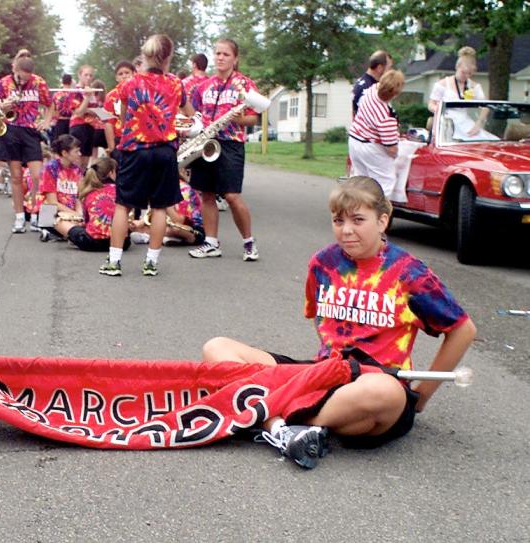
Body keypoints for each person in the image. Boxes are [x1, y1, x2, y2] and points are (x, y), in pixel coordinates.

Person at [202, 176, 477, 468]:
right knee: (217, 349)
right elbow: (319, 320)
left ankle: (272, 418)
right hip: (322, 377)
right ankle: (283, 430)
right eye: (338, 221)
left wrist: (421, 396)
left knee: (384, 393)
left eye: (358, 220)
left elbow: (463, 330)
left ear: (383, 221)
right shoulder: (323, 263)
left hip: (374, 387)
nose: (346, 231)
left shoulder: (409, 273)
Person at [99, 34, 184, 277]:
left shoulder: (130, 84)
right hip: (164, 151)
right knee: (160, 207)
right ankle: (151, 263)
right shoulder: (176, 84)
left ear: (145, 56)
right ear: (168, 57)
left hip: (135, 150)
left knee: (122, 205)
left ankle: (114, 262)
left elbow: (125, 119)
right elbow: (183, 112)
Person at [185, 38, 262, 262]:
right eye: (217, 53)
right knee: (206, 193)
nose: (220, 57)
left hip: (230, 144)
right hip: (206, 142)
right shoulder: (203, 86)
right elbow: (195, 114)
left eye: (225, 54)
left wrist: (240, 119)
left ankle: (248, 242)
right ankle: (211, 242)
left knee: (231, 196)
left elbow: (253, 118)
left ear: (235, 58)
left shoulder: (245, 85)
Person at [0, 49, 53, 234]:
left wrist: (47, 121)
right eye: (20, 77)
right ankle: (19, 216)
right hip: (10, 129)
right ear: (15, 70)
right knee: (17, 176)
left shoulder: (38, 82)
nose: (23, 81)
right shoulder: (4, 83)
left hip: (30, 130)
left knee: (37, 176)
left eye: (26, 78)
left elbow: (49, 104)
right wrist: (5, 104)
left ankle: (35, 214)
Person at [349, 70, 404, 199]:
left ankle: (355, 210)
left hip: (355, 139)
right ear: (395, 93)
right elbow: (390, 148)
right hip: (372, 147)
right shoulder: (386, 116)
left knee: (360, 181)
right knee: (384, 183)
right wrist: (396, 155)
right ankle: (375, 215)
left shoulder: (371, 90)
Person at [428, 46, 492, 140]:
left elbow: (486, 107)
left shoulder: (474, 86)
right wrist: (438, 109)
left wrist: (479, 123)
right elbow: (431, 103)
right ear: (457, 67)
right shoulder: (443, 84)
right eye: (463, 72)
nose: (466, 76)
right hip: (447, 122)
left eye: (469, 74)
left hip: (465, 122)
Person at [39, 134, 84, 242]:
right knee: (48, 214)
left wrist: (79, 215)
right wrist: (74, 214)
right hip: (53, 211)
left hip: (72, 212)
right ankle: (59, 232)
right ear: (64, 153)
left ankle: (63, 233)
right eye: (76, 151)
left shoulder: (77, 170)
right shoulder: (51, 169)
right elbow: (52, 202)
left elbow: (79, 196)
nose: (80, 154)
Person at [68, 65, 101, 169]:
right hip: (78, 127)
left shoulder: (92, 92)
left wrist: (88, 109)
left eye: (90, 75)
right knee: (77, 160)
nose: (88, 77)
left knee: (85, 162)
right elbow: (79, 113)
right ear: (79, 75)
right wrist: (86, 98)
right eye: (86, 75)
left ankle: (83, 182)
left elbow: (95, 111)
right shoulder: (75, 91)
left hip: (90, 127)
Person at [103, 61, 135, 159]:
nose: (124, 76)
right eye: (120, 74)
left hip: (138, 138)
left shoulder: (140, 92)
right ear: (116, 78)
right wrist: (111, 147)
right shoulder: (110, 96)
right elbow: (108, 122)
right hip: (120, 138)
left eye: (127, 72)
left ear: (134, 74)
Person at [353, 50, 392, 117]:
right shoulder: (369, 89)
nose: (390, 72)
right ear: (379, 68)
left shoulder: (361, 83)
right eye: (389, 68)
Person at [51, 74, 75, 141]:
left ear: (62, 82)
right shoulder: (74, 94)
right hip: (72, 122)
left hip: (60, 121)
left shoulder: (56, 95)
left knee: (59, 142)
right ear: (71, 82)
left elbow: (53, 110)